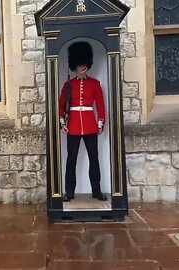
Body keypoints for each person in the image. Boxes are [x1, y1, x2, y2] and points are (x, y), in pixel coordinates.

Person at [59, 41, 107, 202]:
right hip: (72, 126)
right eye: (79, 65)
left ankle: (97, 190)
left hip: (90, 125)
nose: (81, 68)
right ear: (75, 66)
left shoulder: (95, 84)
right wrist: (62, 123)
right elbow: (60, 105)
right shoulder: (68, 85)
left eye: (83, 64)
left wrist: (100, 122)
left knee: (94, 158)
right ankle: (69, 192)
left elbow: (100, 105)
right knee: (71, 159)